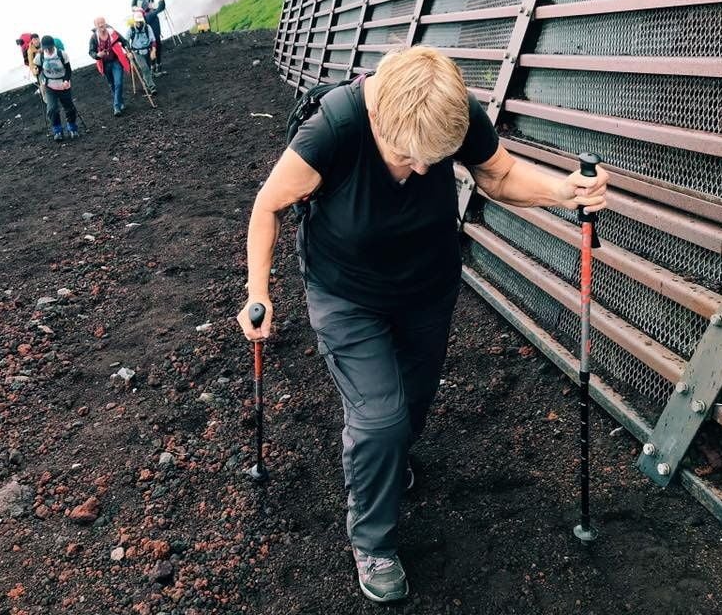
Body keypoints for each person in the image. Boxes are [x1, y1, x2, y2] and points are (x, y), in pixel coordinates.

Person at [235, 47, 609, 604]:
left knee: (412, 403)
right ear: (378, 118)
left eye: (434, 161)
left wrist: (564, 191)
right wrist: (258, 292)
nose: (421, 171)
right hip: (346, 292)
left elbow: (500, 174)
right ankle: (373, 541)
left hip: (428, 286)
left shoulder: (451, 111)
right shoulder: (333, 128)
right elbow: (268, 205)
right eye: (407, 157)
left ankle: (384, 464)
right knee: (380, 420)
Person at [34, 35, 78, 141]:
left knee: (70, 108)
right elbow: (39, 70)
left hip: (63, 85)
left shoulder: (62, 54)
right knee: (52, 109)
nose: (48, 51)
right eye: (46, 48)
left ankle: (72, 128)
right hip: (50, 86)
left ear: (53, 46)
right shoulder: (40, 57)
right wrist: (37, 73)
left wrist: (66, 80)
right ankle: (58, 131)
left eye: (50, 48)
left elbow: (68, 70)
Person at [89, 18, 131, 117]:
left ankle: (116, 106)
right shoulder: (94, 38)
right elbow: (91, 51)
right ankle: (120, 102)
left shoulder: (112, 32)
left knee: (118, 83)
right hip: (105, 64)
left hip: (116, 61)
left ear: (105, 23)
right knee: (112, 85)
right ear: (95, 26)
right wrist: (97, 55)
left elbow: (124, 41)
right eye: (98, 24)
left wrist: (128, 51)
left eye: (102, 23)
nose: (101, 25)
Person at [127, 10, 157, 95]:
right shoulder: (131, 29)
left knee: (147, 69)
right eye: (137, 21)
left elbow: (153, 40)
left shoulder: (147, 27)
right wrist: (129, 52)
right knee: (145, 68)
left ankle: (145, 82)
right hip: (137, 52)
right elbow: (126, 41)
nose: (138, 23)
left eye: (140, 21)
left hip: (147, 51)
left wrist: (153, 51)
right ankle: (152, 87)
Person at [141, 0, 167, 75]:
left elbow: (159, 8)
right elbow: (160, 8)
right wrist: (161, 0)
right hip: (154, 38)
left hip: (153, 38)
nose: (151, 4)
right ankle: (156, 71)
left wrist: (161, 2)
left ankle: (154, 70)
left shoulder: (147, 14)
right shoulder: (150, 14)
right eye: (149, 4)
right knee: (156, 53)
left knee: (154, 53)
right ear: (147, 6)